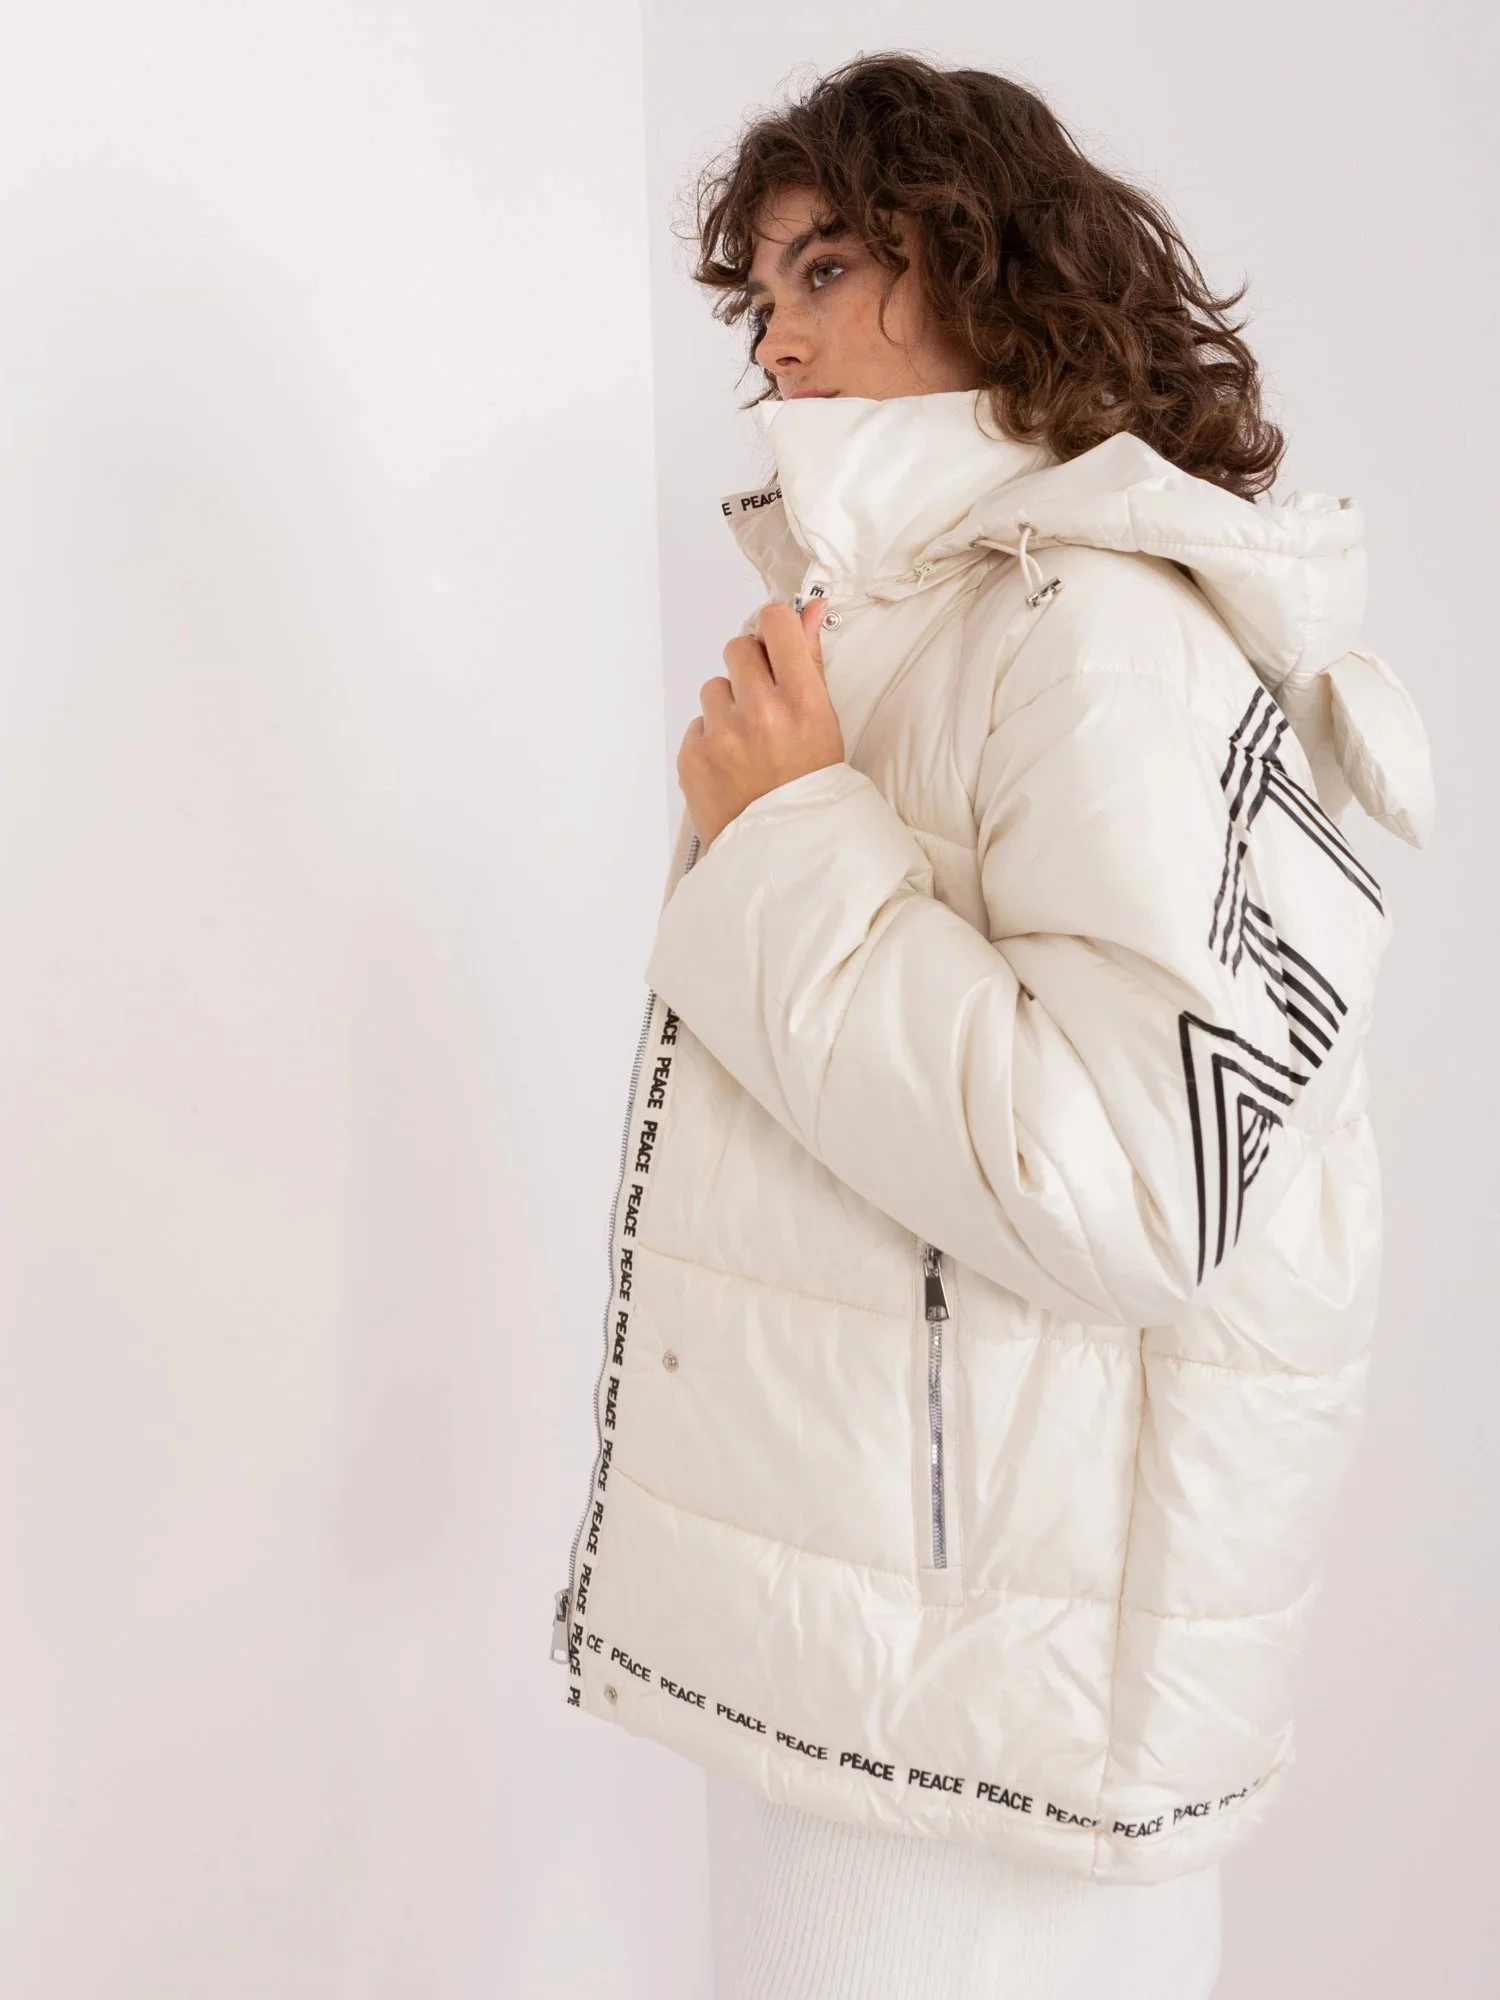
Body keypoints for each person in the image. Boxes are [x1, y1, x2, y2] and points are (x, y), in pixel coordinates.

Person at [551, 51, 1433, 1999]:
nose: (774, 341)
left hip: (983, 1738)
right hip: (883, 1670)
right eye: (757, 295)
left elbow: (1132, 1180)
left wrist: (789, 838)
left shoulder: (1096, 632)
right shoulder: (940, 620)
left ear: (984, 266)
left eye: (828, 268)